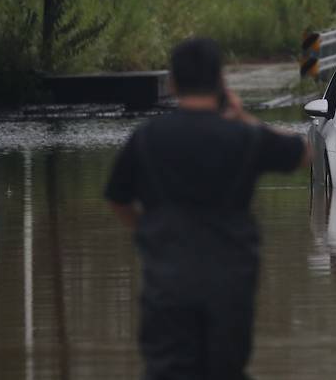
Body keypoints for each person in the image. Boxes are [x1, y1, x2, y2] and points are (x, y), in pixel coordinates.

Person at [104, 38, 310, 380]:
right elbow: (303, 152)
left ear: (171, 83)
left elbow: (117, 198)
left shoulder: (146, 137)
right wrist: (243, 116)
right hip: (230, 283)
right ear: (220, 81)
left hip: (167, 282)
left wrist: (145, 230)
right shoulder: (243, 136)